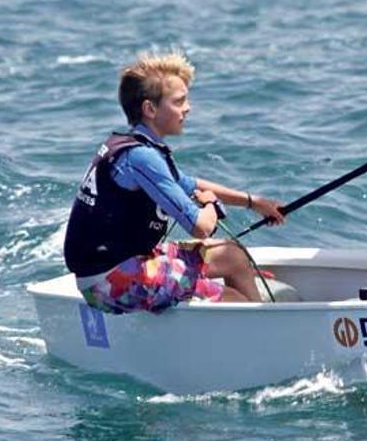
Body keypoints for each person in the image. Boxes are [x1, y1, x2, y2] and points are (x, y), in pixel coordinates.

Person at [63, 52, 284, 313]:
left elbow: (189, 184)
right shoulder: (140, 157)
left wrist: (253, 202)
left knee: (234, 255)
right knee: (234, 300)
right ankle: (257, 331)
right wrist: (211, 204)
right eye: (179, 101)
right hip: (109, 283)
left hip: (132, 263)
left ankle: (258, 324)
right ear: (150, 109)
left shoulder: (142, 147)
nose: (187, 108)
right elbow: (201, 227)